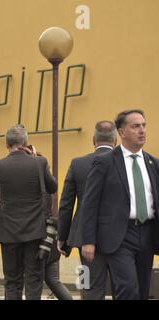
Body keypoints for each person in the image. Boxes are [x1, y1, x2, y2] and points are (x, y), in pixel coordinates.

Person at [81, 109, 159, 300]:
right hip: (119, 235)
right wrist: (88, 240)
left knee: (141, 290)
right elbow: (90, 203)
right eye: (135, 126)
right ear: (122, 132)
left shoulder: (153, 163)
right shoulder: (105, 162)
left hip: (147, 233)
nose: (141, 130)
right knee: (128, 289)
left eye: (143, 125)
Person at [0, 147, 71, 300]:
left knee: (22, 281)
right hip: (43, 237)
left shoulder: (40, 180)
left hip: (39, 238)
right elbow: (25, 202)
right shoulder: (40, 180)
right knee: (48, 281)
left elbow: (29, 204)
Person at [0, 124, 57, 300]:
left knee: (12, 280)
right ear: (26, 142)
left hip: (8, 232)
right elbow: (52, 187)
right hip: (34, 231)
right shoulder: (39, 162)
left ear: (6, 144)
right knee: (33, 279)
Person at [58, 121, 117, 300]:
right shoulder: (125, 163)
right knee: (123, 287)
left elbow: (66, 204)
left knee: (89, 286)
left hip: (86, 238)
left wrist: (62, 236)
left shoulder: (78, 164)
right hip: (120, 236)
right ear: (115, 140)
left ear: (93, 140)